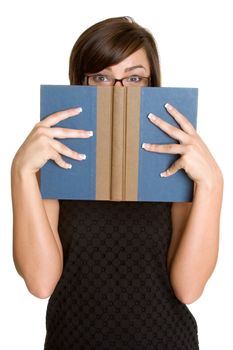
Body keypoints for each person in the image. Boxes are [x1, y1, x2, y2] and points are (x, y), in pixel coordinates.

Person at [11, 16, 223, 350]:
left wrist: (212, 184)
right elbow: (40, 283)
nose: (118, 91)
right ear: (81, 82)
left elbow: (189, 289)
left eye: (134, 77)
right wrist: (21, 172)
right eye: (101, 77)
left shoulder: (179, 161)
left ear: (151, 85)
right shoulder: (52, 162)